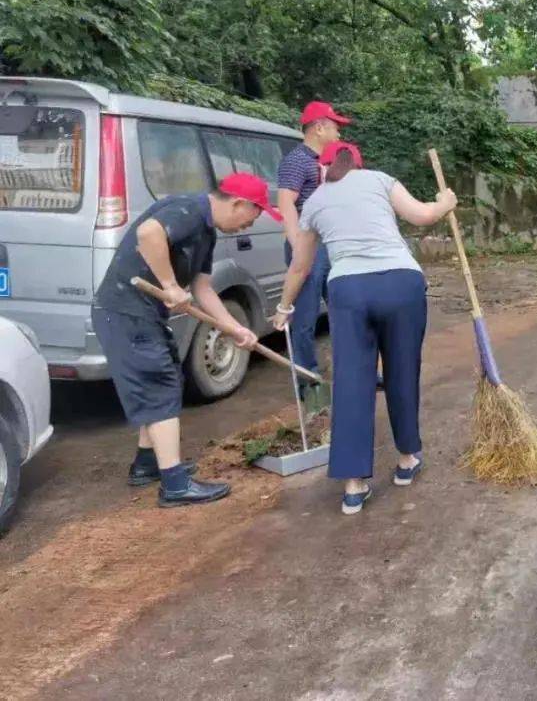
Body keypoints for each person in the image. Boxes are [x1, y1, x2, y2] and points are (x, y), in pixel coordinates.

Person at [273, 142, 457, 515]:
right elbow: (422, 216)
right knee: (402, 370)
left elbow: (300, 267)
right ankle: (406, 460)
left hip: (350, 291)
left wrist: (284, 307)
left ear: (323, 169)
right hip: (401, 283)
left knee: (353, 380)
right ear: (359, 162)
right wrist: (446, 202)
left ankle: (354, 487)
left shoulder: (314, 202)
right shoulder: (379, 180)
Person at [92, 173, 281, 507]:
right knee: (159, 385)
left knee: (167, 381)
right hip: (123, 311)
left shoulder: (206, 232)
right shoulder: (188, 211)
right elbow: (148, 233)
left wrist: (233, 327)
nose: (250, 225)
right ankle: (175, 486)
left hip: (145, 314)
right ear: (239, 204)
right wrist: (168, 284)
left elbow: (203, 288)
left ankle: (147, 465)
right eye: (255, 214)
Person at [276, 101, 349, 397]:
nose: (338, 134)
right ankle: (308, 381)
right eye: (334, 127)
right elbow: (286, 205)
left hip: (329, 244)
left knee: (344, 310)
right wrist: (298, 247)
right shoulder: (297, 160)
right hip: (307, 245)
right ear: (319, 127)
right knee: (304, 319)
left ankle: (354, 368)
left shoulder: (332, 161)